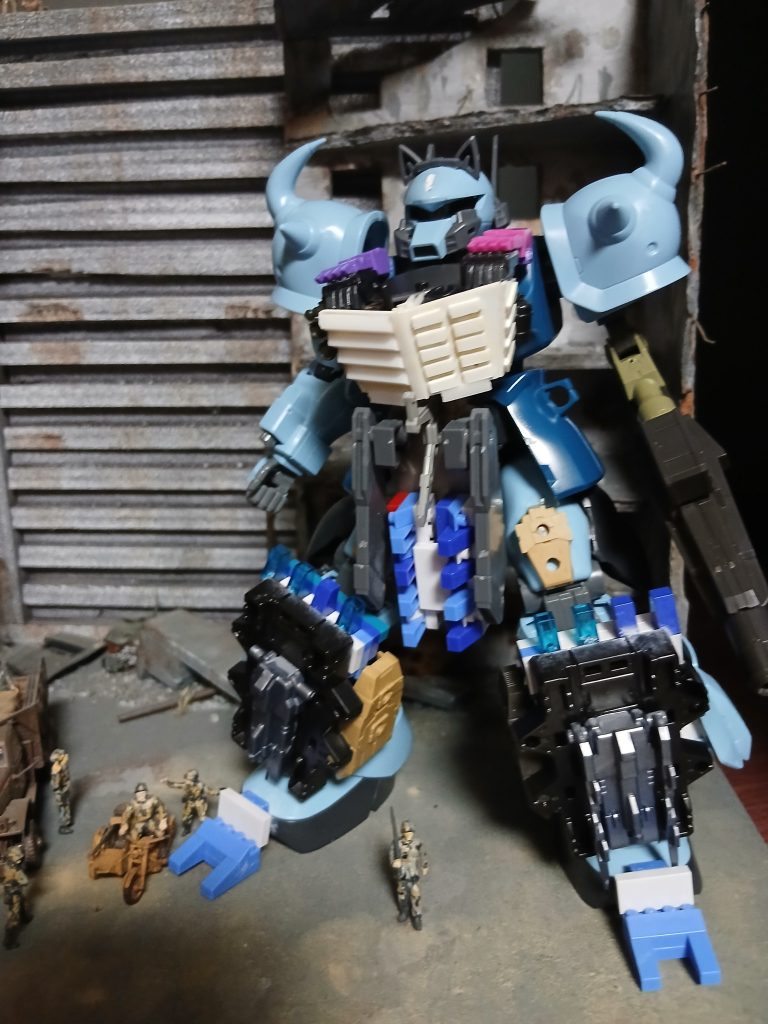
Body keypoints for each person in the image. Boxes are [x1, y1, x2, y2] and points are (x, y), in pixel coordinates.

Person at [389, 819, 429, 930]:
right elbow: (391, 856)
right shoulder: (396, 844)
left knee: (415, 893)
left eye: (409, 831)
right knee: (402, 894)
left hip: (413, 872)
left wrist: (424, 865)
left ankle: (417, 915)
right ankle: (404, 910)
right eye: (405, 831)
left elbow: (423, 854)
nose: (407, 834)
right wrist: (394, 862)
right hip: (401, 873)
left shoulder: (418, 843)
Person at [162, 769, 219, 836]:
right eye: (187, 778)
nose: (187, 780)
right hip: (190, 802)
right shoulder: (185, 784)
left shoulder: (200, 785)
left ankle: (211, 828)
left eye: (189, 778)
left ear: (194, 779)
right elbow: (174, 785)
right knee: (185, 818)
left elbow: (210, 791)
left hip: (199, 802)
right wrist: (167, 782)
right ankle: (187, 829)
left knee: (202, 818)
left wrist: (219, 792)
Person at [1, 846, 31, 950]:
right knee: (13, 918)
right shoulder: (15, 868)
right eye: (18, 856)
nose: (20, 858)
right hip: (13, 893)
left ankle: (25, 918)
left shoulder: (6, 864)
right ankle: (8, 942)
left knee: (22, 903)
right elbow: (25, 881)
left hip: (11, 890)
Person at [50, 748, 73, 834]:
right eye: (63, 756)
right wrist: (60, 793)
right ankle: (63, 826)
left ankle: (67, 821)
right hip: (61, 792)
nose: (66, 756)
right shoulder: (57, 770)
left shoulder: (63, 765)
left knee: (66, 806)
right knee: (63, 809)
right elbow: (55, 785)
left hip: (65, 789)